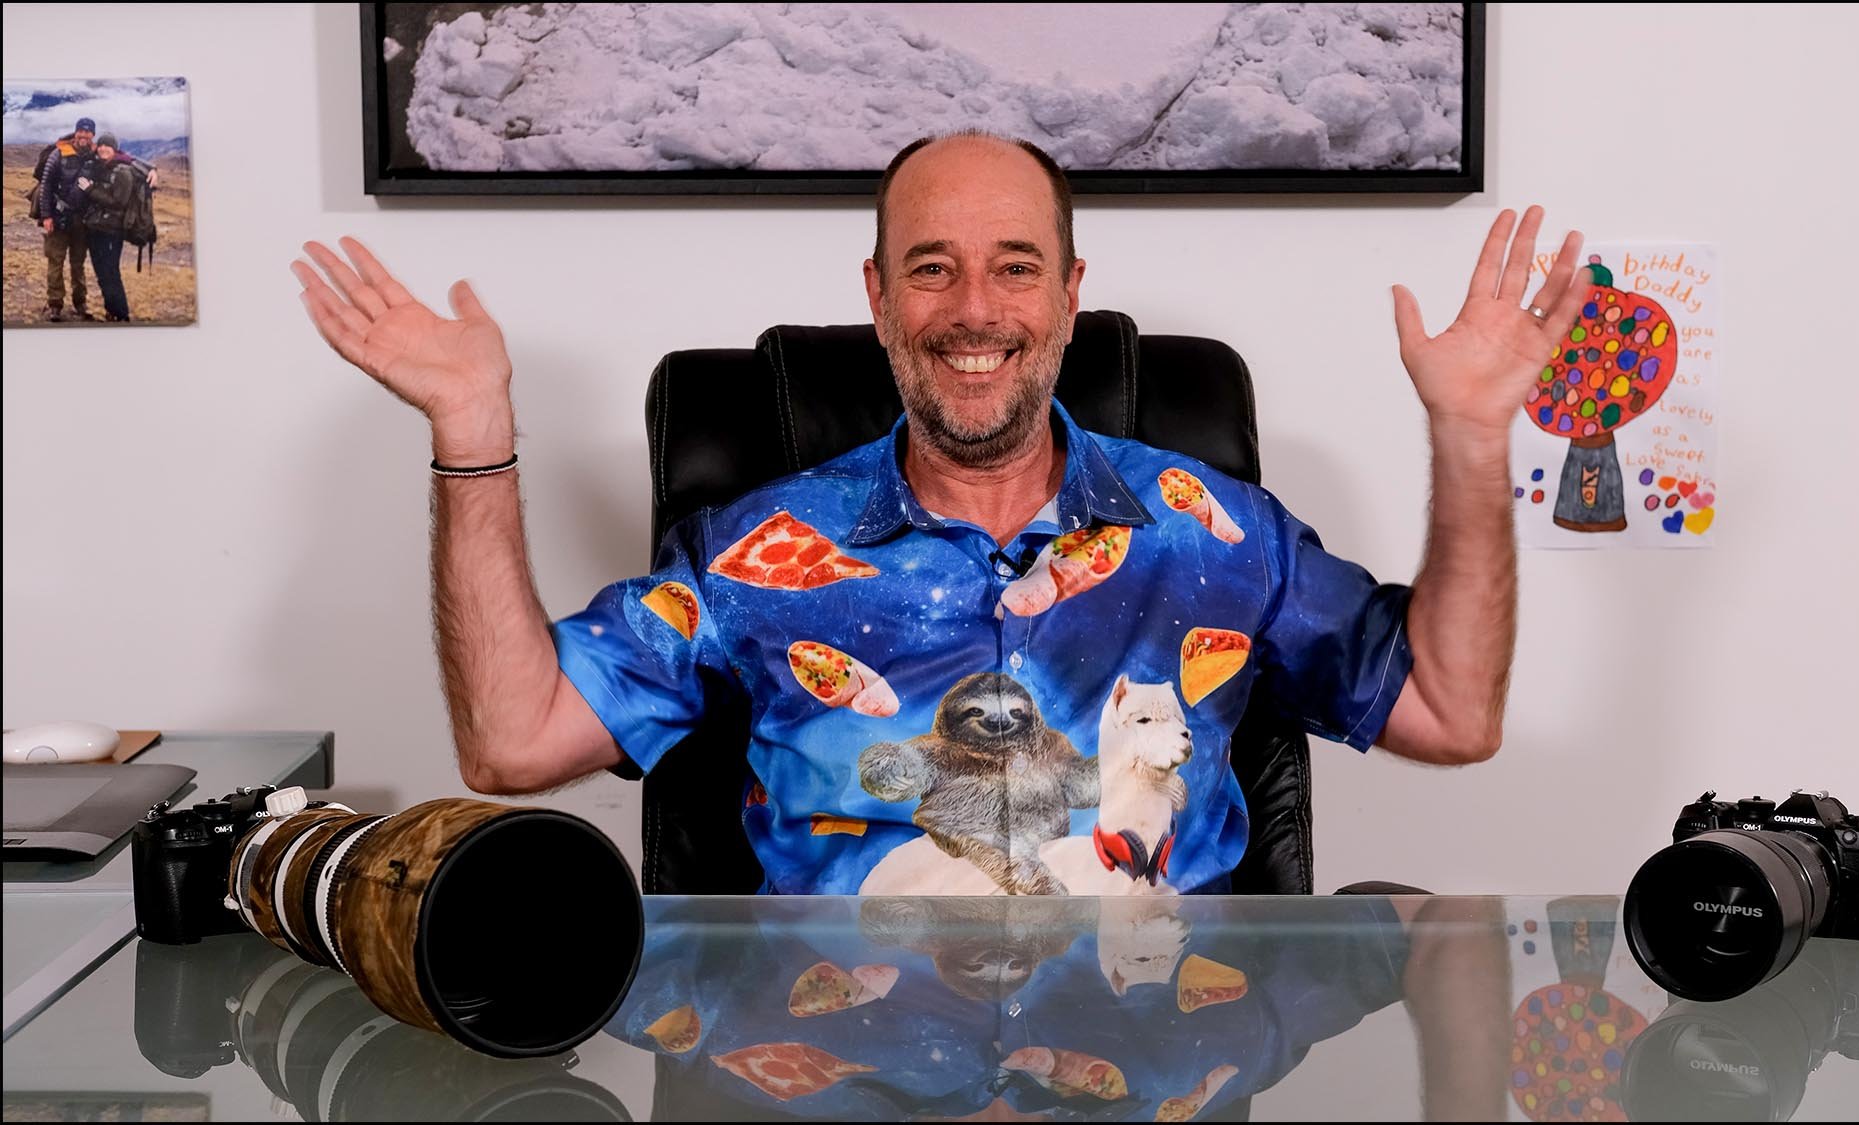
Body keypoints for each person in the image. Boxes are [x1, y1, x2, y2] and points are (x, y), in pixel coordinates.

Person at [292, 131, 1593, 896]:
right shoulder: (763, 555)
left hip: (1155, 1064)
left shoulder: (1209, 530)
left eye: (1013, 266)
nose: (976, 309)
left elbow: (1453, 713)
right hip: (832, 1070)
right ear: (879, 294)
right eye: (934, 268)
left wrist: (1474, 434)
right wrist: (472, 434)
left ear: (1069, 294)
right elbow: (513, 741)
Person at [34, 117, 96, 322]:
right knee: (55, 261)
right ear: (75, 132)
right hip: (58, 218)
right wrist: (46, 216)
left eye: (88, 132)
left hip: (82, 221)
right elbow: (46, 186)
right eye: (81, 131)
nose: (84, 135)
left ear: (92, 135)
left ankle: (80, 302)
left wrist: (151, 170)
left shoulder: (96, 156)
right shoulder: (58, 154)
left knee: (78, 263)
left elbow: (121, 158)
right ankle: (55, 305)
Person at [74, 132, 139, 323]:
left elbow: (118, 202)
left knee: (111, 272)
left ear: (114, 149)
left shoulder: (123, 171)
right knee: (101, 273)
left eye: (107, 146)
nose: (103, 149)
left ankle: (121, 314)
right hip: (96, 230)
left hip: (112, 231)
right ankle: (111, 310)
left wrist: (91, 190)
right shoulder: (103, 167)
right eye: (100, 145)